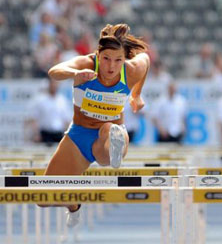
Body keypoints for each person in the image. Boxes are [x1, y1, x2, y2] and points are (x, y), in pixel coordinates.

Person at [46, 23, 150, 226]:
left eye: (118, 60)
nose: (111, 67)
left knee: (108, 130)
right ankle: (73, 205)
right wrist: (74, 74)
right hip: (79, 136)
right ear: (98, 55)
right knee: (44, 196)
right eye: (106, 59)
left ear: (124, 59)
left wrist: (136, 95)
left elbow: (145, 59)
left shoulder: (131, 71)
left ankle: (115, 147)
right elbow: (54, 71)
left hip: (109, 136)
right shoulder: (86, 64)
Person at [25, 78, 72, 145]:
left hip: (58, 134)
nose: (54, 86)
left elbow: (66, 120)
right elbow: (33, 118)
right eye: (53, 83)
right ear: (49, 84)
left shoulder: (62, 100)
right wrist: (36, 134)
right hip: (45, 134)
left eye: (56, 84)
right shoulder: (41, 100)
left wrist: (67, 135)